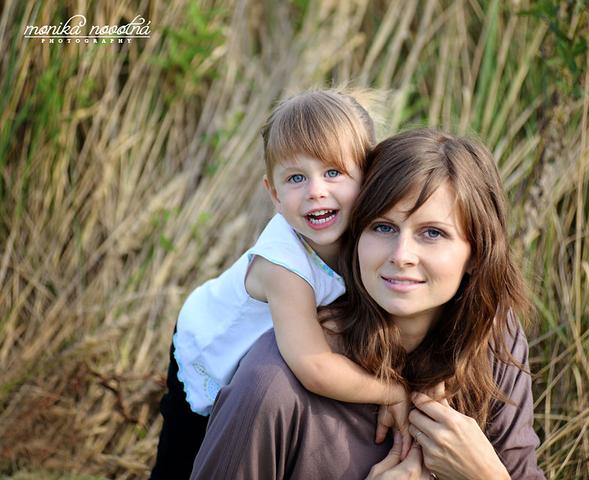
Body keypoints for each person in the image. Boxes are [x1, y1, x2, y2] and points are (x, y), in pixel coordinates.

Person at [190, 129, 545, 479]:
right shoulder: (272, 384)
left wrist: (485, 475)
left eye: (432, 233)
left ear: (476, 253)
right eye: (383, 227)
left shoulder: (491, 336)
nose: (402, 255)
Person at [151, 89, 413, 479]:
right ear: (274, 194)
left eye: (333, 172)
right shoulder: (283, 267)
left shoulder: (367, 236)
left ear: (368, 177)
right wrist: (391, 391)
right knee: (185, 455)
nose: (315, 191)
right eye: (295, 178)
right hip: (207, 345)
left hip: (259, 341)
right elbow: (314, 368)